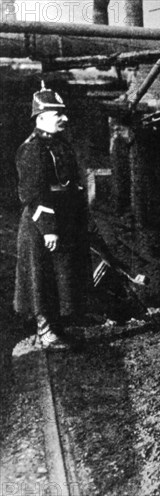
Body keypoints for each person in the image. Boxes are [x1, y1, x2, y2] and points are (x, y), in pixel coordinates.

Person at [13, 83, 91, 349]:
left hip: (63, 219)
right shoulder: (32, 149)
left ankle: (57, 328)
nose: (65, 119)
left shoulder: (59, 145)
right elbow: (33, 194)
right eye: (58, 114)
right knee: (40, 280)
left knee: (60, 276)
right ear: (42, 117)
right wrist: (48, 229)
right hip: (40, 226)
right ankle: (45, 333)